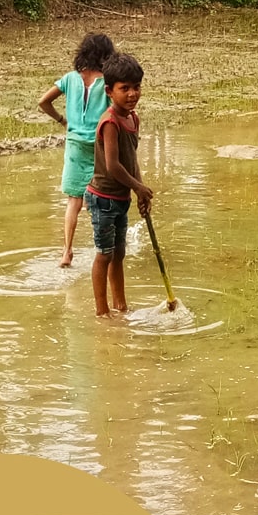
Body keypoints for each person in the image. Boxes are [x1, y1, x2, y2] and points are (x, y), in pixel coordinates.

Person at [85, 52, 153, 318]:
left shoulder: (132, 119)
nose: (132, 94)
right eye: (125, 88)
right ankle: (102, 312)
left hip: (121, 197)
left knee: (119, 253)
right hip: (103, 197)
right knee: (104, 254)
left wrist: (140, 189)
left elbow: (131, 158)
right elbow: (113, 165)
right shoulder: (110, 122)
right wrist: (137, 187)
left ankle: (120, 305)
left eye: (136, 87)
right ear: (110, 91)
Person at [39, 33, 115, 266]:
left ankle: (67, 251)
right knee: (99, 198)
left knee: (74, 200)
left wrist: (63, 121)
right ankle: (102, 248)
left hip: (74, 143)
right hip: (99, 144)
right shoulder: (106, 83)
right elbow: (115, 111)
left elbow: (43, 102)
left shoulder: (70, 79)